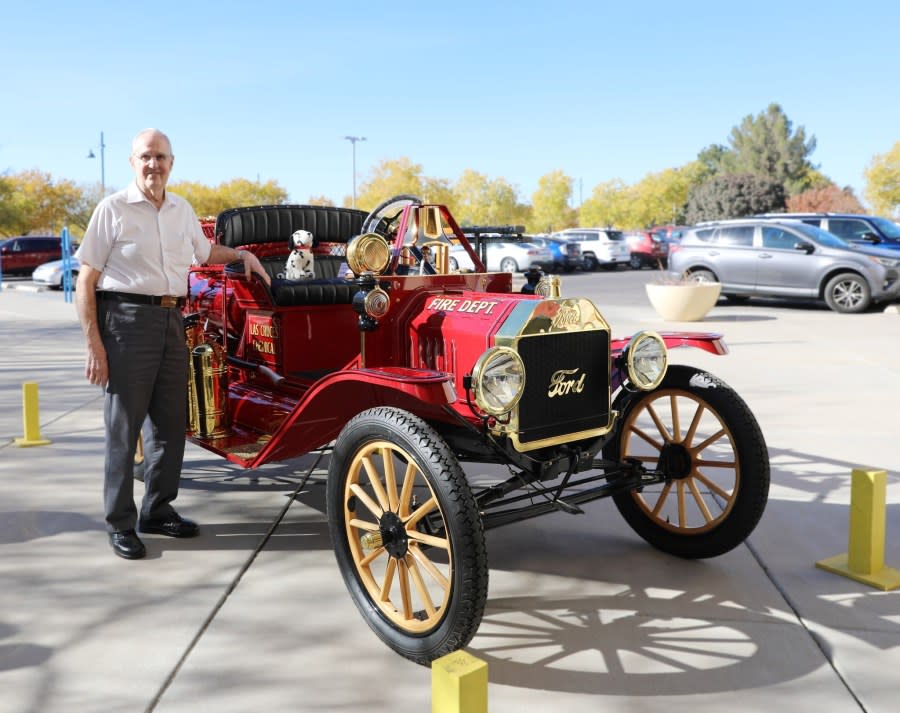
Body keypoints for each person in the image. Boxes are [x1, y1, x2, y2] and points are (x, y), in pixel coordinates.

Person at [75, 128, 270, 560]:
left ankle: (158, 511)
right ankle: (120, 523)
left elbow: (204, 254)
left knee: (169, 426)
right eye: (145, 156)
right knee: (123, 430)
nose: (153, 164)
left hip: (171, 319)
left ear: (172, 162)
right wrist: (95, 346)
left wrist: (242, 255)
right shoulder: (113, 210)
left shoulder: (182, 210)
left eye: (160, 157)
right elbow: (85, 280)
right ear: (132, 162)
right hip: (125, 321)